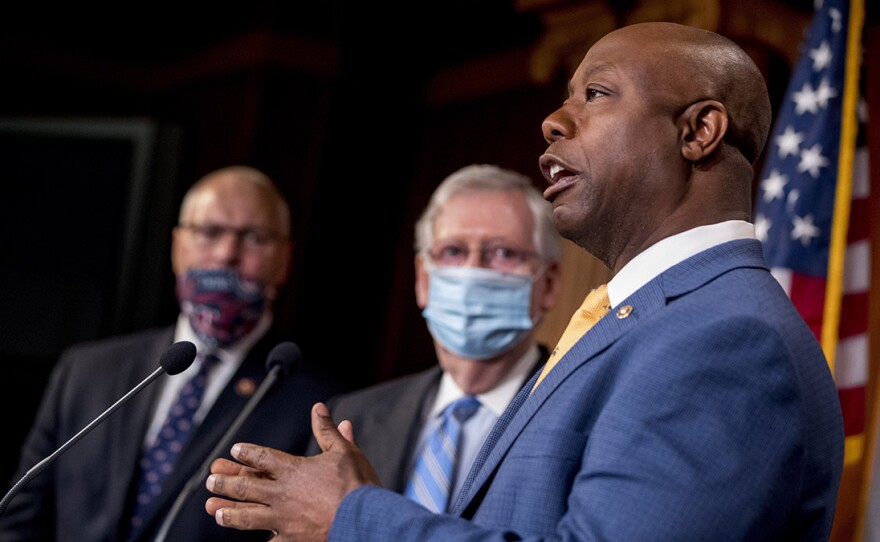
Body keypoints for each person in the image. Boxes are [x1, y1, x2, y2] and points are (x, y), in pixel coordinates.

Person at [203, 22, 845, 541]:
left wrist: (356, 518)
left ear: (698, 131)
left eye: (595, 94)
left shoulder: (724, 340)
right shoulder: (643, 320)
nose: (553, 121)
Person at [0, 165, 342, 542]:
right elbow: (19, 519)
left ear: (284, 259)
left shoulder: (318, 405)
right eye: (210, 232)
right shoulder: (86, 371)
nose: (227, 253)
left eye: (254, 238)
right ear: (178, 247)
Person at [305, 164, 562, 511]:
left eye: (503, 253)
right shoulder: (351, 417)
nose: (473, 271)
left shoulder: (579, 421)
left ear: (548, 284)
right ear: (423, 280)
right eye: (453, 251)